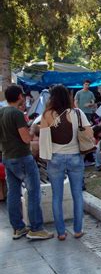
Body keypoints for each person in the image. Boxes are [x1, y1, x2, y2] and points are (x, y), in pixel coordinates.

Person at [0, 85, 53, 240]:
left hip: (7, 156)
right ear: (19, 97)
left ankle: (18, 228)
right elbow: (26, 138)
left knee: (13, 193)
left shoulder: (1, 112)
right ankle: (36, 228)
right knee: (33, 191)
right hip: (22, 156)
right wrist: (32, 128)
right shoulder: (16, 114)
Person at [40, 84, 91, 240]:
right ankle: (77, 230)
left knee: (57, 196)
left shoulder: (47, 114)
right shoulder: (77, 113)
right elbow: (89, 133)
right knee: (77, 194)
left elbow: (43, 140)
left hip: (55, 157)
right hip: (75, 156)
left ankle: (61, 232)